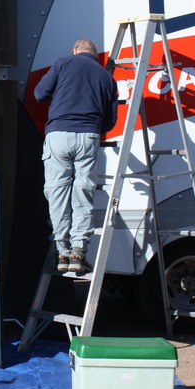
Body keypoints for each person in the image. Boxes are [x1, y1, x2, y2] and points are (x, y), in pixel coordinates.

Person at [34, 38, 118, 275]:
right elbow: (110, 120)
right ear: (94, 55)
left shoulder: (63, 63)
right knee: (83, 191)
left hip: (59, 134)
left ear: (75, 50)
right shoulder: (106, 77)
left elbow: (40, 94)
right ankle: (78, 252)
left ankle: (62, 252)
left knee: (57, 192)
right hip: (88, 135)